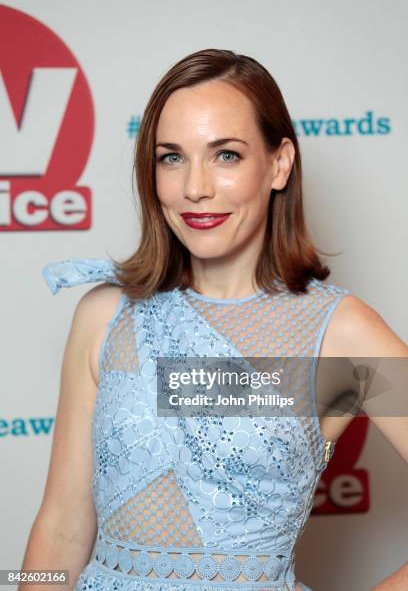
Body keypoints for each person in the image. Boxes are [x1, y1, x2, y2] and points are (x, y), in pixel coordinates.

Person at [20, 49, 408, 591]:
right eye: (171, 158)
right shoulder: (104, 316)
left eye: (225, 155)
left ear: (279, 164)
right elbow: (59, 528)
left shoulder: (340, 331)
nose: (194, 187)